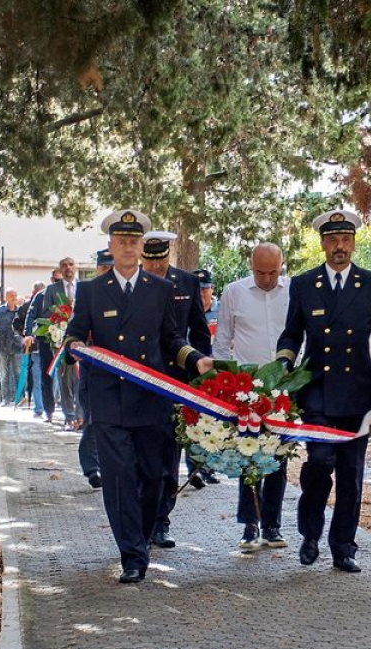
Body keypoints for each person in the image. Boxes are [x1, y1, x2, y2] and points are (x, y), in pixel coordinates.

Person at [64, 210, 212, 584]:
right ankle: (131, 554)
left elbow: (170, 340)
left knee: (155, 476)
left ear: (142, 247)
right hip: (110, 400)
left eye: (134, 242)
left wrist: (195, 360)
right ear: (111, 246)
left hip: (150, 399)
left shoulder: (160, 290)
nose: (128, 247)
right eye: (122, 241)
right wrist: (75, 345)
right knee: (118, 479)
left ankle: (142, 537)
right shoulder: (91, 291)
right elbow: (75, 333)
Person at [275, 209, 371, 574]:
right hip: (316, 393)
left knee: (351, 472)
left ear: (354, 244)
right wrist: (282, 367)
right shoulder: (303, 284)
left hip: (358, 395)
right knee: (319, 463)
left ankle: (343, 546)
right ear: (323, 244)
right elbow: (291, 334)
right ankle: (310, 533)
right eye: (332, 240)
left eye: (345, 240)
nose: (339, 247)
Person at [214, 243, 291, 550]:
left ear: (281, 267)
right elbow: (221, 342)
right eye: (261, 272)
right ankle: (250, 524)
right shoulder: (234, 292)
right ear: (251, 267)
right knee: (248, 456)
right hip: (247, 389)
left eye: (273, 272)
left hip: (285, 388)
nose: (268, 278)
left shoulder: (294, 291)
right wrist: (224, 386)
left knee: (278, 459)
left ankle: (272, 525)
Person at [140, 231, 213, 548]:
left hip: (177, 379)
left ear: (168, 255)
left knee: (170, 456)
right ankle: (141, 520)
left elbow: (198, 330)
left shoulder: (186, 282)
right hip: (140, 379)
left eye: (161, 258)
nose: (156, 266)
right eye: (150, 259)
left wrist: (202, 377)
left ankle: (161, 522)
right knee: (144, 458)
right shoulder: (132, 285)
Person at [76, 248, 114, 489]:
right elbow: (77, 329)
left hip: (120, 369)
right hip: (92, 368)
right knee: (92, 419)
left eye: (111, 267)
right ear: (97, 268)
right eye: (104, 267)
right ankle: (92, 468)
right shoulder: (88, 293)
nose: (108, 272)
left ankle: (107, 465)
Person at [39, 256, 80, 429]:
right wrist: (58, 322)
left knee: (80, 380)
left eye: (71, 264)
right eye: (64, 265)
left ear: (76, 267)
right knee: (64, 379)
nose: (68, 268)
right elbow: (46, 313)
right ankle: (69, 415)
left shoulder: (85, 288)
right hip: (61, 342)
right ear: (60, 270)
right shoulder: (52, 290)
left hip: (83, 341)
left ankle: (81, 415)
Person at [22, 278, 57, 421]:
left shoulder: (71, 294)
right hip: (45, 342)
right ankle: (48, 409)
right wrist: (28, 334)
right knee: (45, 376)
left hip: (65, 341)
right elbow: (30, 316)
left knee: (65, 380)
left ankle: (72, 413)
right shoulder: (40, 296)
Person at [0, 289, 23, 406]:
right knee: (4, 374)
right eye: (12, 295)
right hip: (2, 346)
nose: (14, 297)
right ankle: (5, 399)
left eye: (15, 295)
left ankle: (19, 398)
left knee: (18, 372)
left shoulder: (20, 312)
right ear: (6, 297)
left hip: (17, 346)